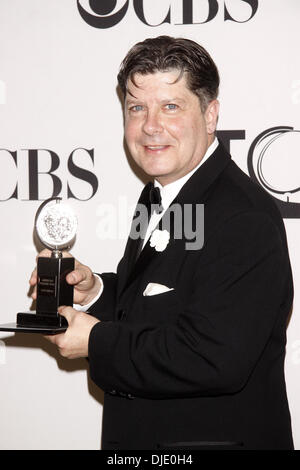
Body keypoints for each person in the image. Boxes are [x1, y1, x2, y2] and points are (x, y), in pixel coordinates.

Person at [30, 36, 294, 450]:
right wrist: (94, 288)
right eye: (137, 108)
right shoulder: (158, 193)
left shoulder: (243, 217)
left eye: (171, 106)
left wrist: (96, 342)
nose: (151, 126)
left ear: (210, 115)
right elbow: (156, 300)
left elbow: (213, 357)